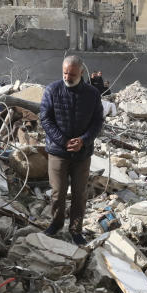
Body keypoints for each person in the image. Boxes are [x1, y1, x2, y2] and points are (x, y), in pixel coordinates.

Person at [39, 55, 104, 245]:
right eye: (65, 73)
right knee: (58, 192)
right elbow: (45, 118)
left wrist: (83, 141)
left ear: (81, 72)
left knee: (79, 193)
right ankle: (56, 224)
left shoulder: (92, 93)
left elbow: (97, 121)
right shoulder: (52, 90)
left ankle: (75, 230)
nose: (68, 77)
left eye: (72, 74)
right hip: (58, 151)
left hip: (82, 154)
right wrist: (63, 141)